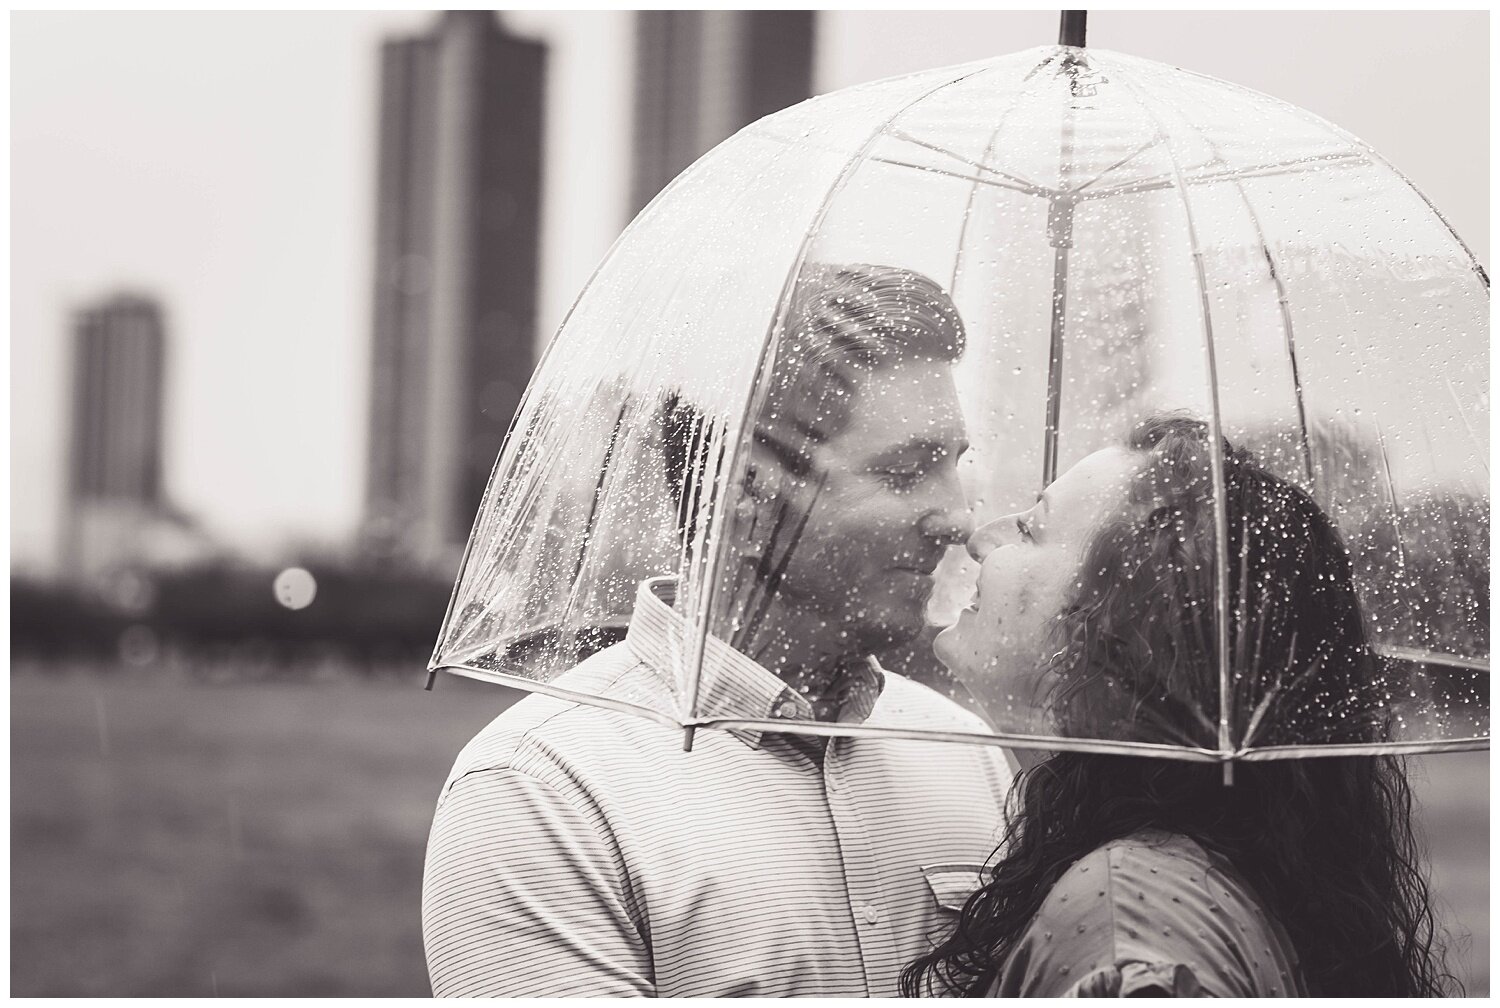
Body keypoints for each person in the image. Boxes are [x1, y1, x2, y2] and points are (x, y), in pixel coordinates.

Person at [422, 263, 1014, 997]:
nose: (958, 518)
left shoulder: (969, 755)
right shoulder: (544, 791)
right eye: (904, 471)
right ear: (742, 496)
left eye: (955, 464)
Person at [902, 414, 1456, 997]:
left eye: (1032, 528)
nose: (981, 538)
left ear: (1112, 631)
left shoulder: (1128, 936)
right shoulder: (1191, 871)